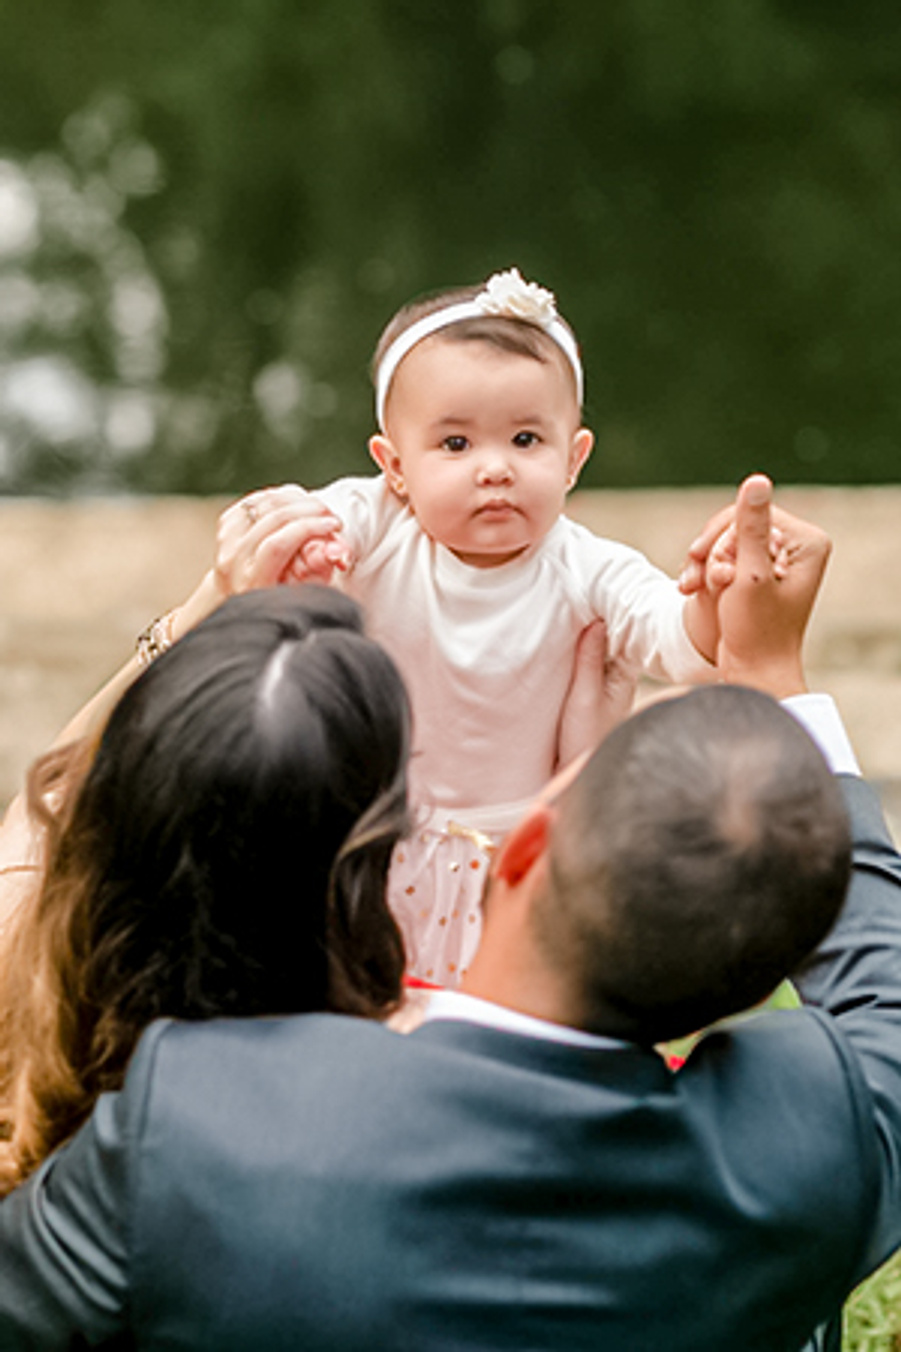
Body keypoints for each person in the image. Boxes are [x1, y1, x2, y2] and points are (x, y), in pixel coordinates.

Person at [1, 481, 898, 1352]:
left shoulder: (193, 1120)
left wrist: (204, 620)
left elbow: (39, 853)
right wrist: (772, 677)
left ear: (522, 845)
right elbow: (883, 994)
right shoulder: (810, 1147)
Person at [216, 267, 788, 985]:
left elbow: (677, 641)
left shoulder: (586, 568)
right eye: (454, 446)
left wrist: (712, 596)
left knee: (496, 1005)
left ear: (573, 458)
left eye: (524, 439)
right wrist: (285, 533)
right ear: (394, 467)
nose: (494, 469)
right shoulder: (377, 524)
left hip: (516, 850)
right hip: (368, 829)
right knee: (358, 992)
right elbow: (304, 520)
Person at [0, 585, 410, 1194]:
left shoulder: (22, 989)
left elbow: (48, 809)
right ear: (346, 877)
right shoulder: (396, 1096)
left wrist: (198, 614)